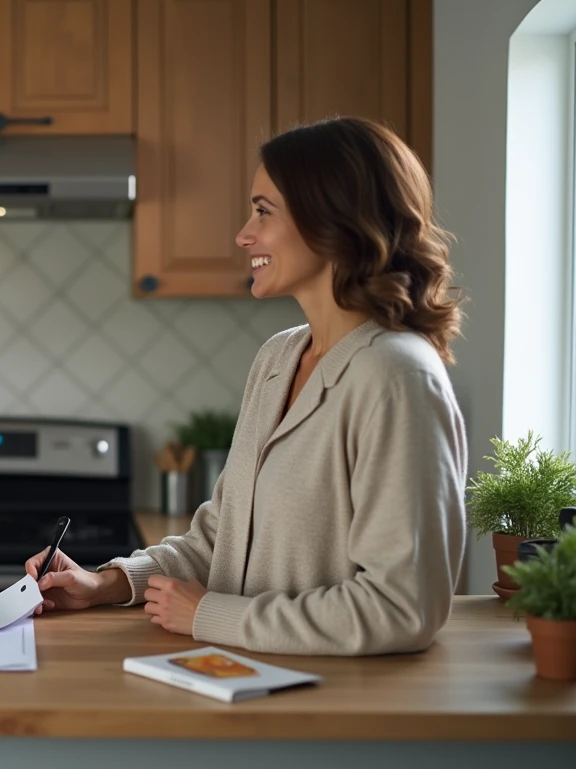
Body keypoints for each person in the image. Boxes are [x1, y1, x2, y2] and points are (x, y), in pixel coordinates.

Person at [26, 117, 467, 657]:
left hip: (332, 708)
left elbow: (402, 609)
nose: (243, 234)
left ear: (333, 217)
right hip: (240, 682)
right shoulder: (280, 356)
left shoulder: (396, 375)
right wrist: (109, 583)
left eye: (263, 210)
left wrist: (209, 614)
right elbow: (221, 539)